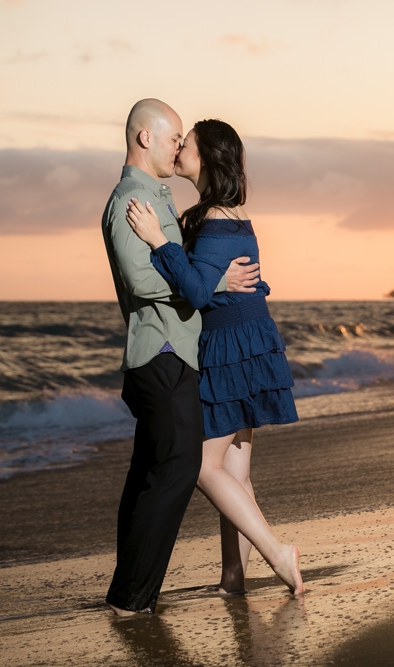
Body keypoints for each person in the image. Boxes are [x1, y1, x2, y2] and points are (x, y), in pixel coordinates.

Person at [125, 118, 304, 597]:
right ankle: (233, 579)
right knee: (237, 473)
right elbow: (220, 284)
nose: (179, 149)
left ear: (207, 159)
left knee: (204, 467)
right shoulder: (229, 216)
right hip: (249, 343)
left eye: (188, 145)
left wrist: (158, 240)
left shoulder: (216, 223)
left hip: (231, 350)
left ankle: (276, 552)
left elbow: (199, 291)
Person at [100, 99, 261, 615]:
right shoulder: (132, 198)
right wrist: (214, 280)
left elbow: (180, 266)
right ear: (146, 138)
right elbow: (142, 280)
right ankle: (133, 598)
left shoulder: (161, 198)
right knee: (177, 469)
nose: (178, 146)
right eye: (173, 139)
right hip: (160, 351)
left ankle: (129, 592)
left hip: (177, 352)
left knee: (152, 474)